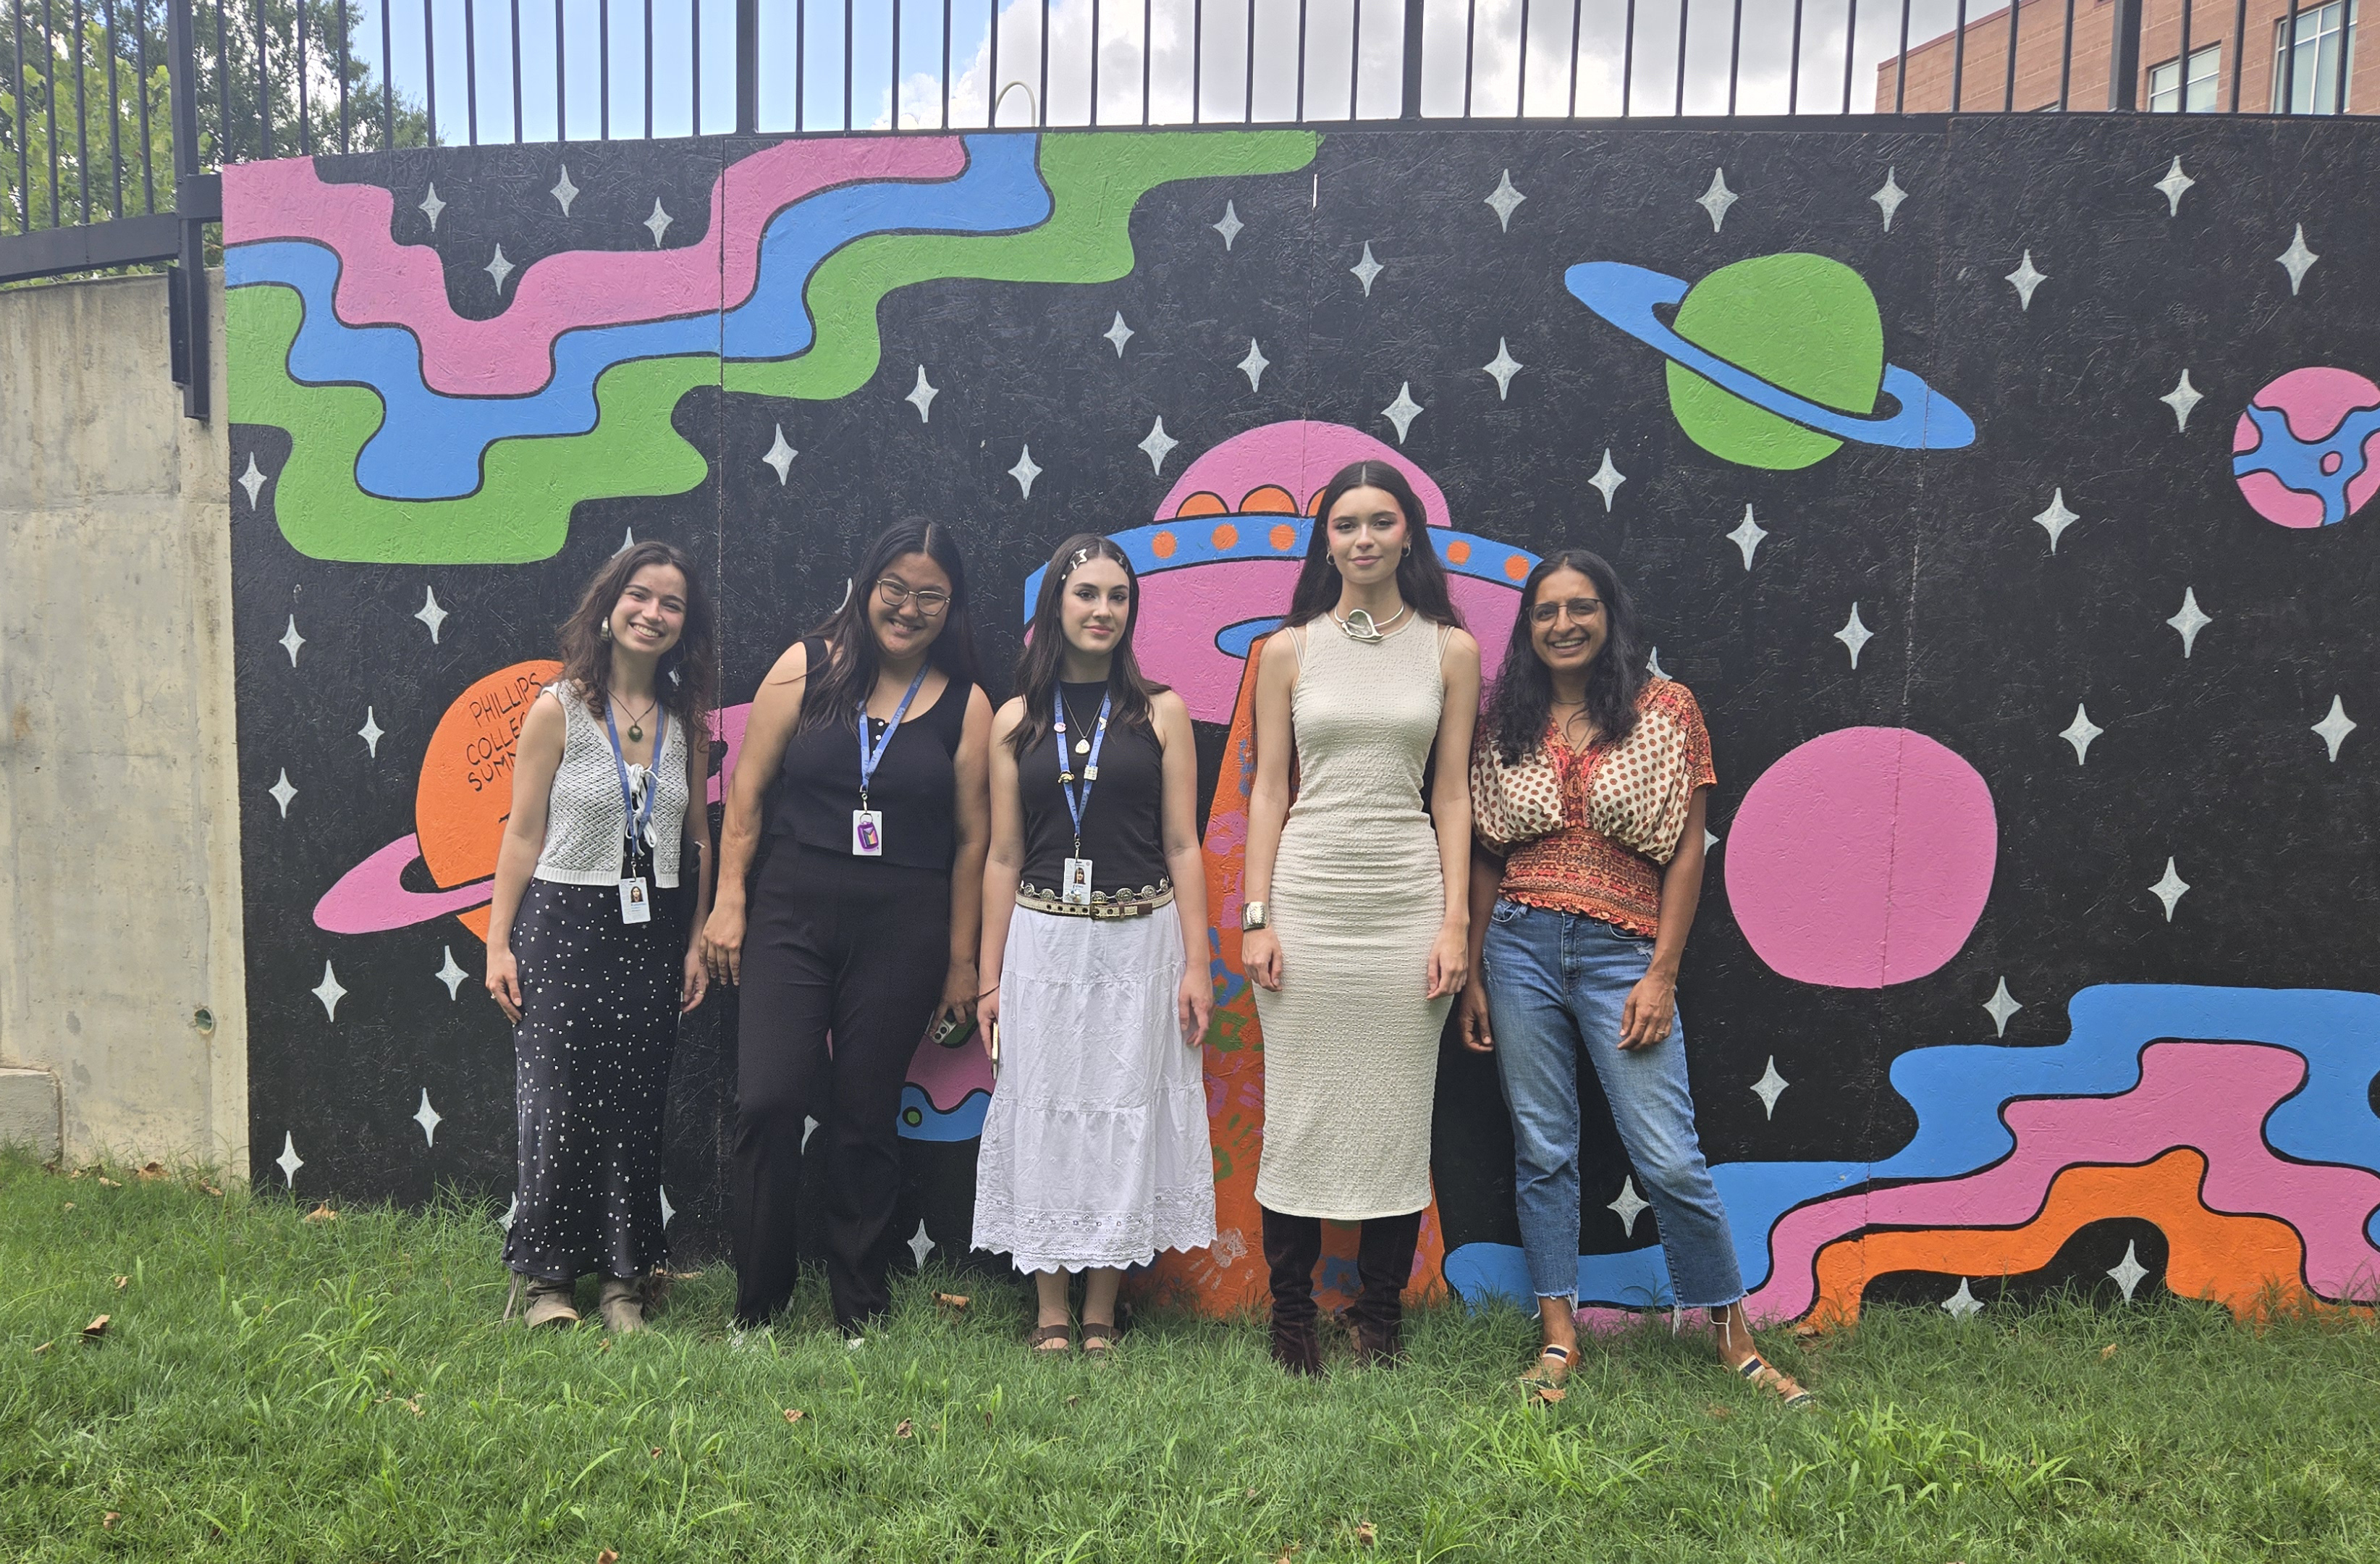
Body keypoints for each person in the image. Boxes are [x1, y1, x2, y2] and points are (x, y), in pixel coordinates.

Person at [1459, 550, 1811, 1407]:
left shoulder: (1666, 710)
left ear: (1610, 616)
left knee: (1671, 1154)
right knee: (1544, 1149)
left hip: (1625, 952)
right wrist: (1470, 970)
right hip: (1517, 943)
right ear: (1527, 627)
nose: (1563, 625)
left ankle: (1736, 1340)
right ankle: (1558, 1342)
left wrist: (1662, 972)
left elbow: (1688, 851)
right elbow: (1484, 856)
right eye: (1545, 611)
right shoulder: (1503, 715)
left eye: (1581, 608)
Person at [704, 519, 992, 1337]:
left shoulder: (967, 708)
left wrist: (961, 965)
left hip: (904, 926)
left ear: (952, 607)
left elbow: (974, 843)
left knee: (865, 1115)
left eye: (929, 595)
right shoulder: (805, 667)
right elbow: (747, 797)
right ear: (867, 586)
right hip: (790, 910)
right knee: (769, 1100)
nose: (907, 608)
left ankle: (858, 1309)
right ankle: (757, 1308)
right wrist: (731, 901)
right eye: (894, 588)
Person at [1239, 461, 1482, 1374]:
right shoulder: (1287, 651)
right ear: (1327, 541)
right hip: (1307, 897)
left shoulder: (1451, 650)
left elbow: (1452, 794)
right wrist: (1257, 915)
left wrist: (1455, 923)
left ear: (1409, 533)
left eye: (1382, 521)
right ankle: (1292, 1315)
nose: (1365, 538)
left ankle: (1378, 1316)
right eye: (1346, 524)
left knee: (1395, 1113)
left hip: (1407, 901)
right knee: (1298, 1109)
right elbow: (1268, 789)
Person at [972, 536, 1217, 1355]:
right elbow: (1003, 856)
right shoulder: (1015, 720)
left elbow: (1183, 845)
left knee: (1125, 1111)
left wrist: (1197, 964)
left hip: (1140, 945)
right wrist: (987, 981)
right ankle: (1050, 1307)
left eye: (1117, 597)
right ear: (1056, 608)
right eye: (1086, 595)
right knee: (1045, 1113)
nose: (1102, 610)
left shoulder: (1162, 711)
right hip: (1041, 947)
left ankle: (1104, 1307)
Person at [484, 540, 716, 1332]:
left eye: (672, 604)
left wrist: (693, 942)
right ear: (610, 608)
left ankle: (624, 1281)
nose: (654, 613)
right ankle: (547, 1281)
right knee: (557, 1108)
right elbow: (521, 836)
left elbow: (698, 842)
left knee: (633, 1110)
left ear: (685, 625)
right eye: (640, 597)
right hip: (562, 928)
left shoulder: (689, 723)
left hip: (650, 937)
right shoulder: (559, 709)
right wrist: (498, 943)